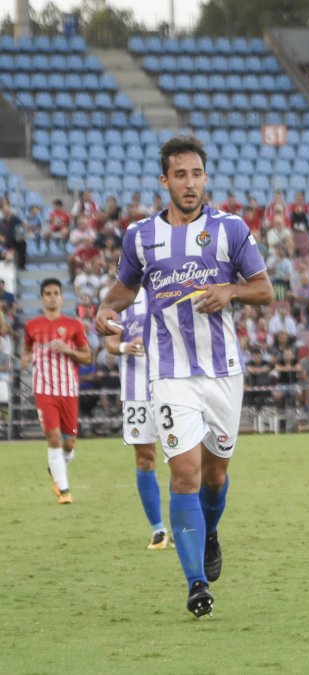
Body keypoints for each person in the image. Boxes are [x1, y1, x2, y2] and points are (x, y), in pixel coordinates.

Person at [95, 135, 272, 619]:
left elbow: (264, 290)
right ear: (165, 181)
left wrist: (230, 291)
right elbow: (121, 292)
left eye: (196, 174)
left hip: (222, 373)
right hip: (169, 375)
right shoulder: (140, 236)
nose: (189, 183)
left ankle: (209, 532)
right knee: (186, 474)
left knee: (216, 474)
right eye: (180, 175)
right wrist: (105, 310)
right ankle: (196, 583)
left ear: (205, 177)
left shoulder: (231, 230)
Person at [102, 288, 169, 548]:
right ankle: (158, 529)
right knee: (145, 458)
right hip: (136, 391)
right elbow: (109, 342)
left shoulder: (168, 286)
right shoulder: (121, 300)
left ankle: (183, 525)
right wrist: (123, 346)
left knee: (181, 457)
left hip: (171, 385)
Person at [22, 278, 92, 505]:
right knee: (52, 436)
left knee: (69, 442)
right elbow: (26, 349)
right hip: (44, 390)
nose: (52, 297)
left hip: (68, 389)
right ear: (42, 298)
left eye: (55, 293)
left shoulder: (73, 326)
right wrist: (25, 359)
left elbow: (87, 357)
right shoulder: (31, 326)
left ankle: (57, 466)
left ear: (62, 297)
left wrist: (67, 350)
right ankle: (64, 490)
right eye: (48, 293)